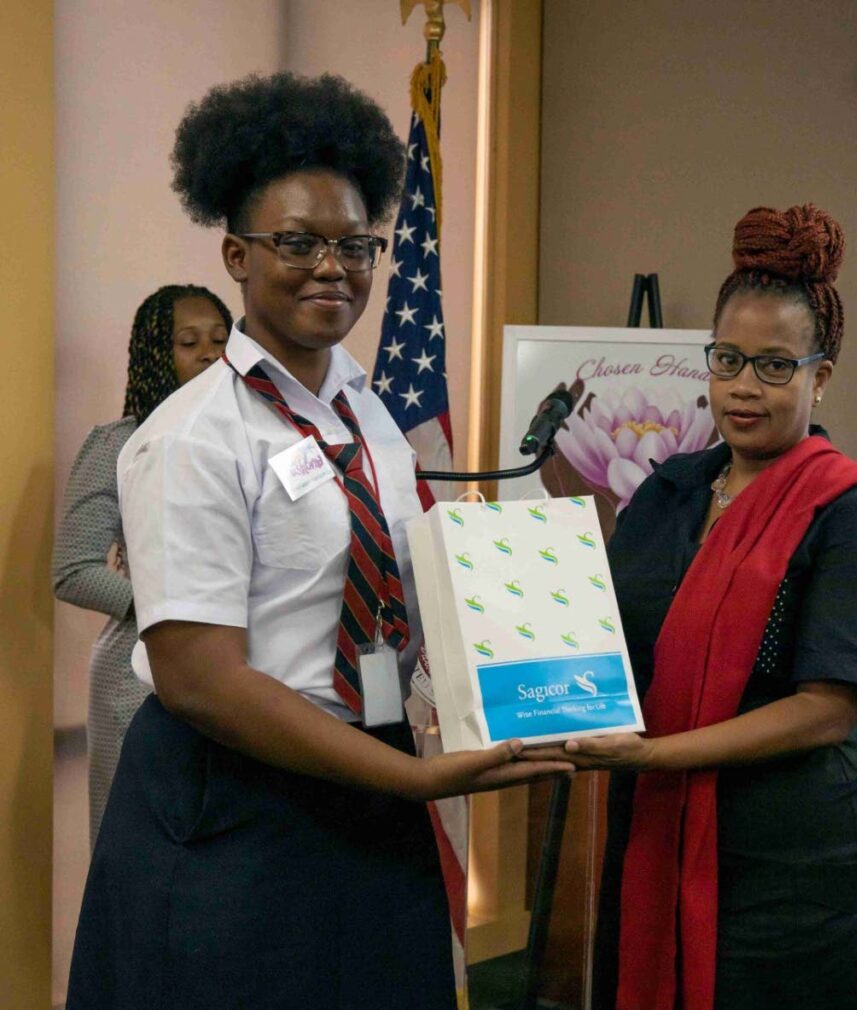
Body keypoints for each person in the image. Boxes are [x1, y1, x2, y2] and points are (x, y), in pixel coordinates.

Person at [65, 73, 570, 1010]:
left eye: (354, 245)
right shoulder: (191, 435)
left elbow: (407, 590)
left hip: (368, 786)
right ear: (236, 256)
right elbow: (200, 681)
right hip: (235, 808)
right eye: (295, 242)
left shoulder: (368, 412)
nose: (330, 266)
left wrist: (549, 650)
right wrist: (410, 778)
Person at [527, 205, 857, 1010]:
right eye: (729, 359)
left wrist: (651, 758)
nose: (746, 386)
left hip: (813, 861)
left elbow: (828, 708)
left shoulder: (856, 510)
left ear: (820, 376)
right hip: (666, 834)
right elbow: (604, 631)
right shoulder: (668, 493)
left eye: (776, 366)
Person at [53, 283, 233, 847]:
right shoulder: (119, 443)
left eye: (221, 340)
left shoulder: (252, 442)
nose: (208, 353)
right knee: (136, 857)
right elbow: (72, 567)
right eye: (188, 342)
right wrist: (164, 602)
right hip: (137, 679)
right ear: (158, 353)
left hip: (233, 674)